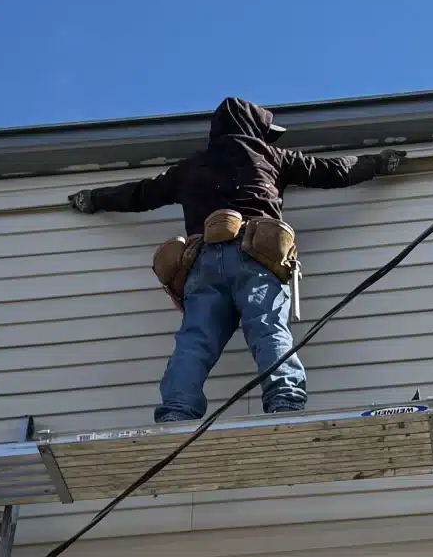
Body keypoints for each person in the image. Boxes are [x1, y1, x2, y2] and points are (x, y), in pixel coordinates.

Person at [69, 97, 404, 424]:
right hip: (254, 254)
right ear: (253, 129)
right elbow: (332, 171)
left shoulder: (190, 168)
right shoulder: (269, 156)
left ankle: (176, 411)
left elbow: (140, 194)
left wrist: (93, 199)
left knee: (196, 340)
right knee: (267, 327)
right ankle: (285, 402)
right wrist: (379, 162)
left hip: (202, 264)